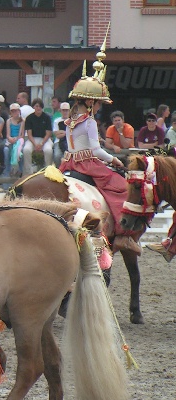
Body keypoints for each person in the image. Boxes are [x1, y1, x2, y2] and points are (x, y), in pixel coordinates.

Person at [59, 46, 135, 253]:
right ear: (91, 101)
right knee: (120, 187)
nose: (100, 107)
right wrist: (114, 160)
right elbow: (95, 150)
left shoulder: (70, 121)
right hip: (87, 164)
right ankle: (122, 235)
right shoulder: (90, 121)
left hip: (68, 163)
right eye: (99, 103)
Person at [22, 97, 53, 175]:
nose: (38, 108)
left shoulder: (47, 117)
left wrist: (41, 144)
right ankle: (28, 172)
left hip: (45, 139)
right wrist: (35, 144)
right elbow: (29, 134)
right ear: (33, 107)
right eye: (36, 106)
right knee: (26, 150)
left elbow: (48, 133)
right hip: (33, 139)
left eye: (40, 106)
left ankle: (47, 171)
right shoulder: (29, 118)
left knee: (48, 150)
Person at [1, 103, 24, 189]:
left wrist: (16, 139)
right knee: (6, 152)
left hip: (19, 141)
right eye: (13, 111)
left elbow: (21, 134)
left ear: (19, 111)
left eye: (16, 110)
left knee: (21, 154)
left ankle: (20, 176)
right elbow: (7, 134)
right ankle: (6, 183)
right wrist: (11, 139)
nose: (15, 112)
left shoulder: (22, 121)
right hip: (10, 140)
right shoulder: (8, 121)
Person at [52, 101, 70, 166]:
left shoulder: (72, 121)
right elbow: (57, 135)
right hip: (58, 142)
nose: (65, 112)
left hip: (70, 141)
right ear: (60, 111)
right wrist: (66, 132)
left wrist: (62, 132)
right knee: (57, 156)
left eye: (66, 110)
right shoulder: (57, 121)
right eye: (63, 110)